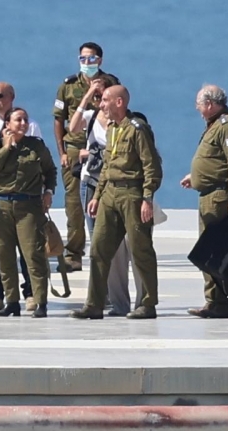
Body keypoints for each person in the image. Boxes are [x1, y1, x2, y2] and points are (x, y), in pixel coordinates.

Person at [72, 85, 162, 320]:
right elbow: (107, 167)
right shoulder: (112, 129)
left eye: (104, 101)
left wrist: (147, 199)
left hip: (132, 195)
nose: (101, 105)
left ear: (119, 102)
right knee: (99, 249)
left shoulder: (137, 129)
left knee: (140, 250)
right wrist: (98, 196)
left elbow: (151, 167)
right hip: (110, 194)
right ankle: (94, 304)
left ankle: (147, 304)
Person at [0, 107, 56, 318]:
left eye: (25, 119)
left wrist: (48, 191)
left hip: (29, 207)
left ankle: (40, 301)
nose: (23, 123)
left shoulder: (36, 146)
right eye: (18, 120)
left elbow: (50, 170)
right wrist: (7, 147)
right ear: (7, 124)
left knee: (33, 254)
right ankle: (12, 301)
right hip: (1, 207)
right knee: (4, 257)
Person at [53, 42, 119, 271]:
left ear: (100, 60)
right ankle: (73, 254)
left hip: (101, 149)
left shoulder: (110, 83)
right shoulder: (68, 85)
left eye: (91, 59)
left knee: (101, 200)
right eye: (83, 59)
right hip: (74, 148)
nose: (86, 63)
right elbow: (59, 121)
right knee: (74, 203)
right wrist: (62, 152)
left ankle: (102, 251)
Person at [0, 83, 41, 313]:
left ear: (11, 97)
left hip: (25, 199)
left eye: (0, 96)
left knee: (27, 250)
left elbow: (42, 162)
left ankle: (30, 294)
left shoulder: (29, 125)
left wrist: (46, 192)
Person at [179, 84, 228, 319]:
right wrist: (195, 177)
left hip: (220, 198)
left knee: (216, 251)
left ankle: (223, 301)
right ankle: (214, 300)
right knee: (209, 251)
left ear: (210, 104)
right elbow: (214, 161)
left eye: (199, 103)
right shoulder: (214, 124)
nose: (197, 108)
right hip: (208, 195)